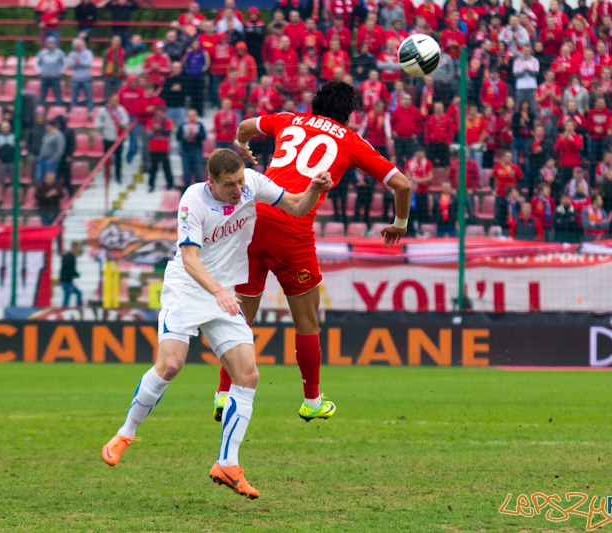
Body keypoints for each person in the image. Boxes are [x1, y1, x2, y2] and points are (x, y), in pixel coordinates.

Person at [100, 149, 334, 499]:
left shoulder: (252, 183)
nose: (238, 190)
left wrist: (316, 188)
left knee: (248, 375)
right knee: (171, 365)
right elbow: (190, 259)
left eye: (240, 181)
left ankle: (227, 463)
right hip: (188, 288)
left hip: (222, 292)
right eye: (229, 185)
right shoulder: (193, 200)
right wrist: (219, 293)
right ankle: (124, 433)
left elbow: (298, 206)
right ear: (212, 182)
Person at [220, 81, 412, 422]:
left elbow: (244, 127)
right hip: (292, 227)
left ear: (315, 103)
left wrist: (241, 146)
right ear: (348, 114)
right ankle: (311, 400)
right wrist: (399, 223)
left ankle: (223, 394)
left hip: (252, 217)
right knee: (307, 320)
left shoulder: (288, 119)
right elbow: (403, 184)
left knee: (241, 316)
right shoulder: (351, 140)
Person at [95, 94, 130, 184]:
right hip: (107, 138)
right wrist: (100, 125)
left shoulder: (121, 110)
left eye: (117, 100)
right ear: (109, 100)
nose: (116, 102)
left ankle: (118, 177)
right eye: (114, 100)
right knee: (106, 159)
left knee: (118, 159)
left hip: (118, 138)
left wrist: (123, 123)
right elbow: (97, 119)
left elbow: (126, 119)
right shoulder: (104, 110)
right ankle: (107, 175)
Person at [177, 109, 207, 191]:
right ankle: (187, 193)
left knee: (199, 174)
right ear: (187, 116)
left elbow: (204, 137)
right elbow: (178, 137)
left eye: (193, 115)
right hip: (186, 151)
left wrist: (196, 134)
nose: (192, 117)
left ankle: (200, 193)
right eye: (190, 115)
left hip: (197, 151)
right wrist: (185, 136)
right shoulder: (183, 125)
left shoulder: (200, 125)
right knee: (187, 174)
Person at [406, 147, 433, 233]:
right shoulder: (409, 163)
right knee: (411, 213)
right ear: (415, 153)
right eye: (418, 152)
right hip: (413, 193)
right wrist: (414, 181)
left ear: (424, 153)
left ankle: (421, 231)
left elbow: (430, 177)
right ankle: (410, 231)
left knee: (422, 213)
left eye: (422, 152)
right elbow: (407, 176)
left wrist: (418, 180)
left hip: (423, 192)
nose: (420, 154)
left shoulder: (427, 163)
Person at [147, 106, 173, 192]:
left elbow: (168, 133)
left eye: (162, 111)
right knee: (153, 167)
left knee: (166, 166)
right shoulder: (151, 121)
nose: (161, 113)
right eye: (159, 111)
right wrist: (154, 130)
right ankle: (151, 185)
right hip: (154, 147)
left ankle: (170, 184)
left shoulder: (168, 121)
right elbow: (148, 134)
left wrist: (159, 129)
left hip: (164, 147)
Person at [36, 36, 66, 106]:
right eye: (49, 43)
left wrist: (60, 71)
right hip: (44, 77)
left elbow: (64, 63)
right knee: (42, 95)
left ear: (55, 44)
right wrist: (40, 71)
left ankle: (59, 109)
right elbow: (37, 63)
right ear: (47, 44)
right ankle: (41, 110)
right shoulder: (42, 53)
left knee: (58, 95)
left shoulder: (60, 53)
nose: (51, 45)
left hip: (55, 77)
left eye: (52, 43)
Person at [67, 38, 93, 114]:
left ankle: (90, 112)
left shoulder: (88, 53)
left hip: (86, 78)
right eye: (78, 45)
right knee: (74, 99)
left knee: (89, 98)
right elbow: (70, 65)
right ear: (74, 46)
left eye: (81, 45)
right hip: (75, 79)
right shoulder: (71, 54)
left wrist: (79, 62)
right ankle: (74, 113)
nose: (80, 47)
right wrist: (76, 62)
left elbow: (88, 64)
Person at [36, 120, 65, 185]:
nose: (45, 127)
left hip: (51, 161)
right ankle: (40, 192)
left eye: (47, 126)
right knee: (39, 178)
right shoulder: (47, 134)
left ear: (50, 126)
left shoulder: (59, 135)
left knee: (50, 180)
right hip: (42, 159)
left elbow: (60, 150)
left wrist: (52, 160)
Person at [0, 120, 14, 201]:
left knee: (14, 181)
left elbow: (17, 149)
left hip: (12, 161)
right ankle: (0, 198)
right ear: (1, 129)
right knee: (0, 181)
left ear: (9, 128)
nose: (5, 129)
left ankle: (15, 198)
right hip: (1, 162)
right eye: (3, 127)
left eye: (7, 127)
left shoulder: (14, 136)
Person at [59, 241, 82, 306]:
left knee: (75, 294)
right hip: (67, 282)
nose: (78, 251)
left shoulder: (68, 256)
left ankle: (77, 307)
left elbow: (68, 269)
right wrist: (76, 274)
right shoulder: (70, 257)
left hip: (66, 281)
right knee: (68, 297)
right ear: (74, 248)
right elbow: (69, 270)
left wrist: (75, 274)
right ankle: (78, 308)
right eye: (77, 249)